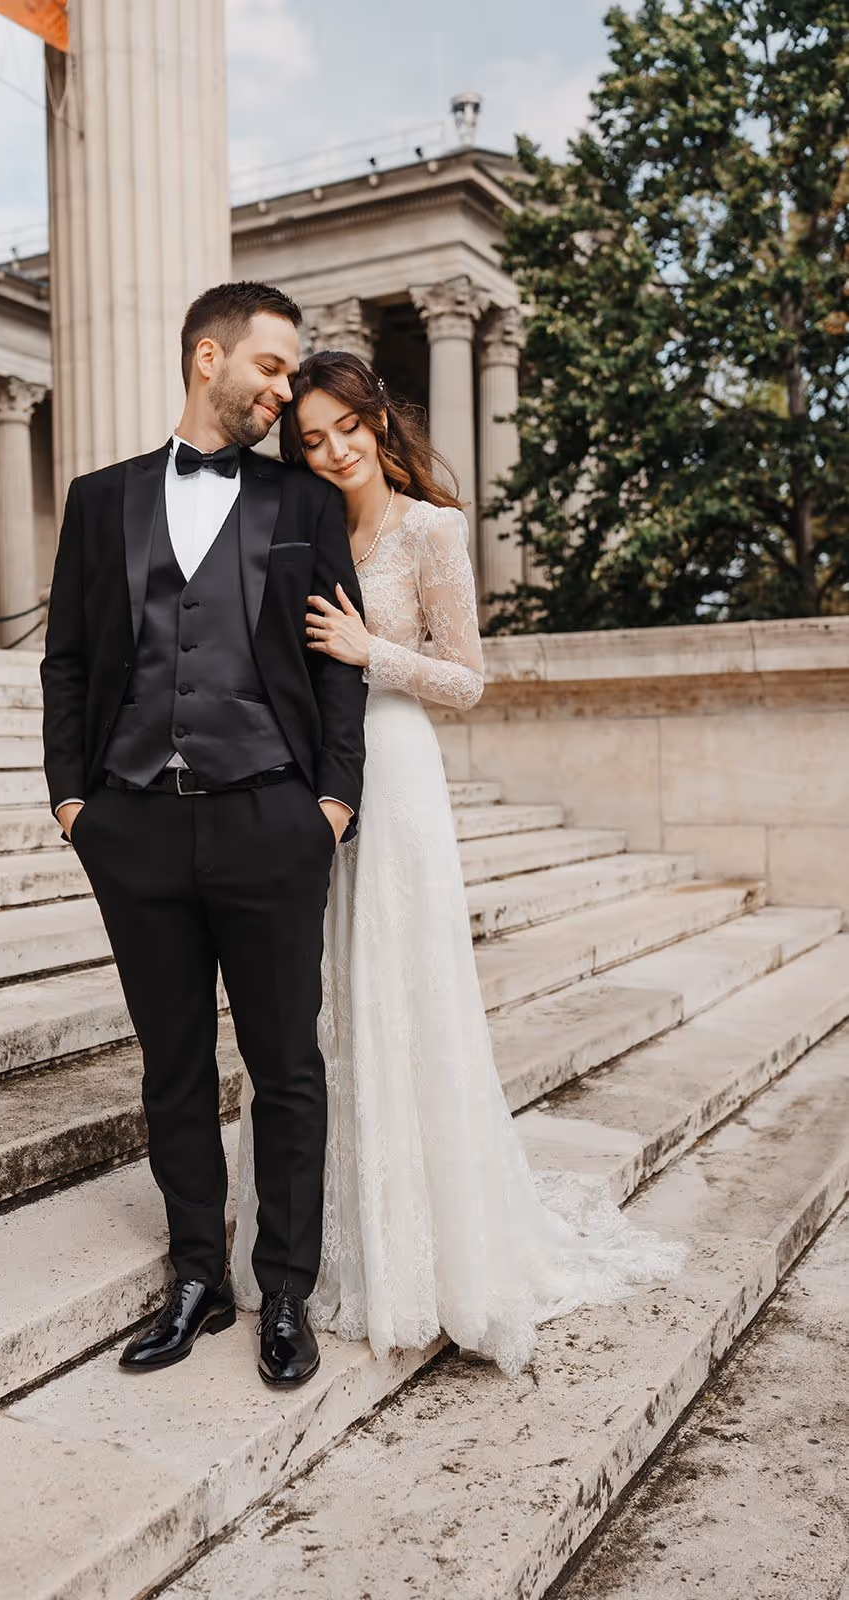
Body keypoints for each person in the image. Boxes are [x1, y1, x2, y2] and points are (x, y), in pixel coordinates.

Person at [231, 350, 686, 1373]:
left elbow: (469, 679)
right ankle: (321, 1230)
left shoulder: (429, 529)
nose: (334, 450)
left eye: (346, 426)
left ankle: (423, 1245)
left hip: (397, 774)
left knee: (404, 991)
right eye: (312, 439)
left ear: (377, 419)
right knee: (321, 999)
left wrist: (370, 653)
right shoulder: (303, 531)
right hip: (309, 783)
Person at [41, 284, 367, 1388]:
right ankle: (196, 1278)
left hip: (270, 816)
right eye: (271, 368)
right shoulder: (99, 500)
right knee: (171, 1062)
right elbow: (68, 661)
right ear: (207, 358)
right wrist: (73, 801)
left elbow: (339, 664)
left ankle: (285, 1290)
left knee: (286, 1064)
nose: (284, 390)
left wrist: (330, 805)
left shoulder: (304, 503)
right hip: (131, 823)